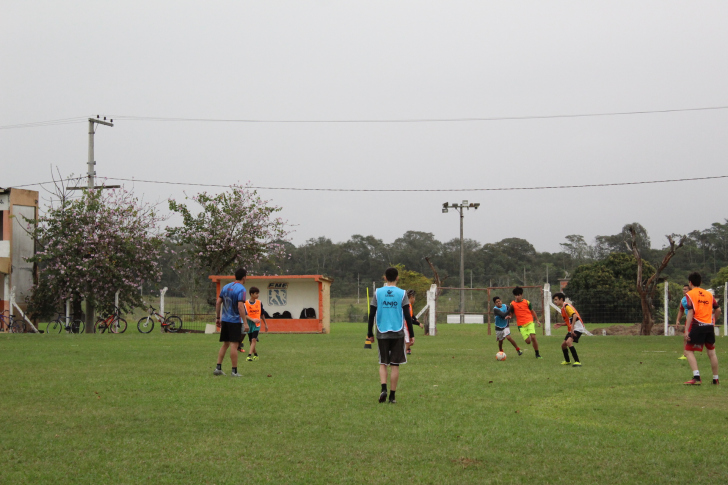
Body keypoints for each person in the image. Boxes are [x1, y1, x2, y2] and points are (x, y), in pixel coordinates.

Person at [367, 267, 414, 404]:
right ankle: (392, 396)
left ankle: (383, 389)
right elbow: (407, 316)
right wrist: (411, 334)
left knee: (383, 363)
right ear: (397, 278)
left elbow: (371, 314)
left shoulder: (378, 293)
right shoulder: (402, 293)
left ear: (385, 278)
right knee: (395, 365)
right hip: (398, 332)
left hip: (382, 331)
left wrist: (369, 333)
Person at [683, 272, 721, 385]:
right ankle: (716, 379)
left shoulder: (690, 294)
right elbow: (718, 310)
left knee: (688, 351)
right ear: (701, 282)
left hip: (697, 325)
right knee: (712, 352)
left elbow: (690, 312)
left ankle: (696, 377)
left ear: (690, 283)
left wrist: (686, 330)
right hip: (709, 326)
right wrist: (713, 321)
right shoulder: (709, 294)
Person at [214, 268, 249, 377]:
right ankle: (234, 371)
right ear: (244, 277)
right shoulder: (241, 289)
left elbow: (218, 302)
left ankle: (218, 368)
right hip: (234, 321)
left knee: (225, 344)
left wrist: (218, 317)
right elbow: (240, 306)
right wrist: (245, 323)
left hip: (225, 319)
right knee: (234, 344)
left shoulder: (226, 287)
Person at [507, 286, 542, 358]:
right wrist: (509, 317)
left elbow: (532, 311)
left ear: (521, 294)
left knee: (533, 337)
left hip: (529, 322)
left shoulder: (527, 302)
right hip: (521, 325)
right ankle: (529, 337)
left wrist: (537, 320)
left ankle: (537, 354)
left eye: (519, 295)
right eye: (516, 295)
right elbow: (512, 314)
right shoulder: (512, 304)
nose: (517, 297)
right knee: (528, 342)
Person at [552, 293, 585, 367]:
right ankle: (567, 361)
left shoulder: (567, 306)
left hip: (578, 328)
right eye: (554, 300)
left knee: (568, 342)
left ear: (561, 299)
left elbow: (575, 316)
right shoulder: (562, 309)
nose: (555, 301)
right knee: (563, 345)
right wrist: (561, 324)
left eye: (556, 300)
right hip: (572, 328)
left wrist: (572, 328)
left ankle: (577, 362)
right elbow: (569, 322)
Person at [244, 287, 269, 361]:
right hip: (249, 323)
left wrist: (265, 324)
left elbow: (262, 314)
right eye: (256, 293)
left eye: (258, 293)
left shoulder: (259, 302)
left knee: (254, 339)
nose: (258, 295)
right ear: (251, 294)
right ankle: (255, 354)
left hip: (257, 324)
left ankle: (249, 356)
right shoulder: (245, 303)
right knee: (251, 341)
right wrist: (252, 319)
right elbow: (244, 315)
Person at [405, 290, 422, 355]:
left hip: (406, 326)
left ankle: (406, 351)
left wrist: (415, 319)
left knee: (408, 341)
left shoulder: (409, 305)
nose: (414, 299)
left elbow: (411, 315)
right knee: (408, 341)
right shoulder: (408, 306)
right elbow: (409, 319)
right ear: (411, 297)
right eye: (414, 298)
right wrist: (418, 323)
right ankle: (402, 353)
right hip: (405, 326)